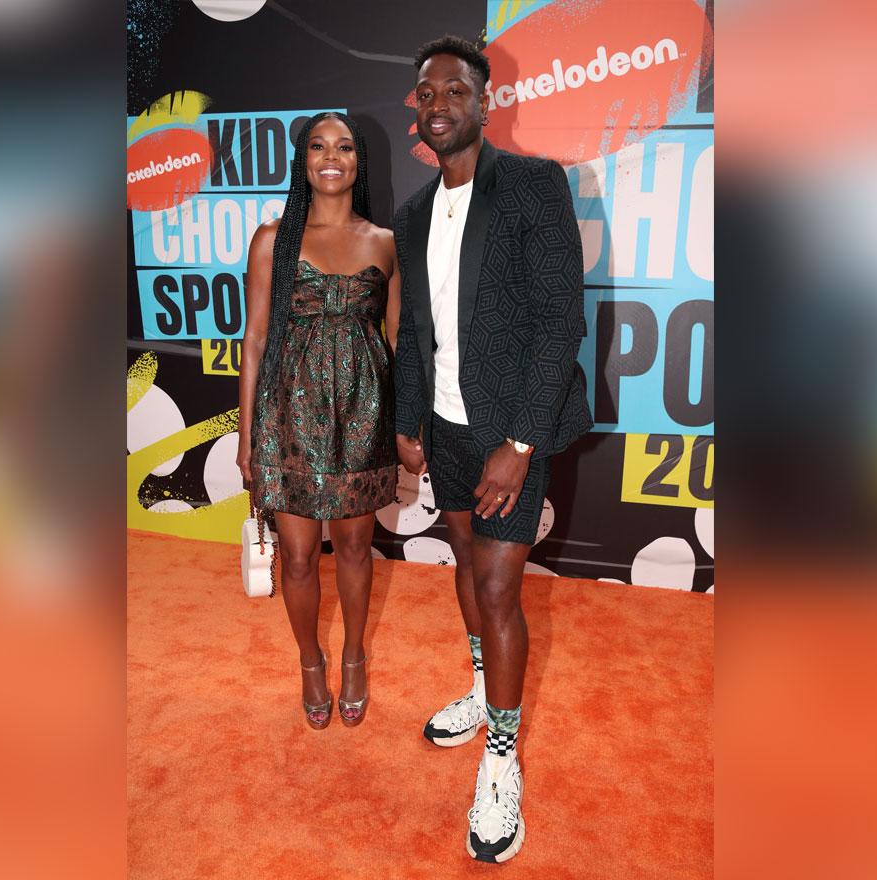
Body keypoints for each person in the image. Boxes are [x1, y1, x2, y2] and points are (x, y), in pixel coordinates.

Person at [392, 36, 592, 862]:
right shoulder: (410, 214)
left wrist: (519, 440)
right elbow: (415, 331)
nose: (436, 103)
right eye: (425, 92)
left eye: (453, 90)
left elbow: (560, 322)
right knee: (468, 570)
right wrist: (409, 422)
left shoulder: (534, 186)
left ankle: (501, 758)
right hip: (443, 427)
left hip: (512, 430)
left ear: (484, 103)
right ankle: (481, 688)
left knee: (501, 589)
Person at [238, 111, 401, 730]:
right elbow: (254, 341)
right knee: (300, 557)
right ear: (302, 159)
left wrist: (405, 423)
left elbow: (396, 341)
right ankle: (311, 662)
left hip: (364, 416)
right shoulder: (271, 240)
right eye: (317, 146)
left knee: (357, 547)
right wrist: (248, 435)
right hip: (288, 421)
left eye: (345, 147)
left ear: (360, 162)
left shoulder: (384, 242)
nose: (331, 157)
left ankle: (355, 654)